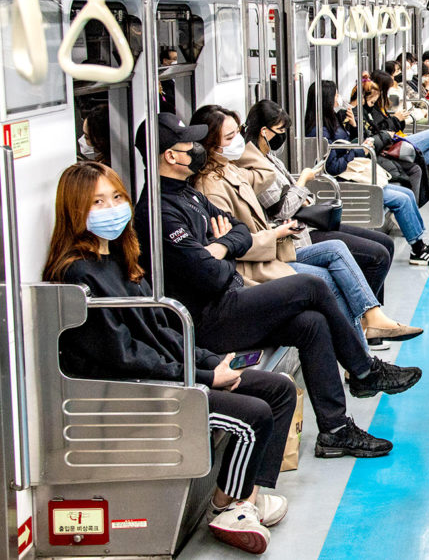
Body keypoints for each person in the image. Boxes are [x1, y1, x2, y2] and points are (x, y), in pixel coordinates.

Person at [133, 113, 422, 461]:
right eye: (188, 145)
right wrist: (225, 254)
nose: (196, 149)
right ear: (171, 156)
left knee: (311, 324)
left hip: (229, 297)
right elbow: (209, 275)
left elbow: (238, 231)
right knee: (311, 287)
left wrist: (222, 245)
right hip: (207, 318)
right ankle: (365, 370)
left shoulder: (187, 196)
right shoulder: (160, 211)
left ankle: (335, 430)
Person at [44, 161, 293, 554]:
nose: (111, 209)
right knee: (253, 415)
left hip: (166, 373)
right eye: (97, 202)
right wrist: (203, 379)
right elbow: (124, 358)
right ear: (75, 211)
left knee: (278, 389)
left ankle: (240, 500)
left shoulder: (123, 261)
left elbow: (162, 331)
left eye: (116, 198)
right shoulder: (78, 278)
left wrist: (211, 361)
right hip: (138, 392)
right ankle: (229, 507)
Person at [189, 104, 422, 349]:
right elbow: (275, 211)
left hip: (285, 236)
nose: (238, 139)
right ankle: (360, 344)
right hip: (271, 250)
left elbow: (269, 179)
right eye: (230, 136)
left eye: (239, 132)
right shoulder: (220, 180)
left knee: (351, 248)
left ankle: (370, 320)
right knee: (341, 272)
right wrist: (297, 183)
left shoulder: (236, 167)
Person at [242, 98, 395, 307]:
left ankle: (371, 316)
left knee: (385, 243)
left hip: (308, 221)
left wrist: (301, 193)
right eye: (280, 129)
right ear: (263, 131)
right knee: (377, 255)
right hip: (295, 235)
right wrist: (303, 180)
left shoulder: (271, 158)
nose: (283, 135)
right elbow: (282, 209)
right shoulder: (254, 166)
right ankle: (363, 315)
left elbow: (295, 195)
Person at [306, 81, 429, 266]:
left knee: (406, 193)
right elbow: (333, 166)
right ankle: (418, 249)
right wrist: (360, 151)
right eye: (335, 95)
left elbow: (347, 145)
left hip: (353, 172)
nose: (338, 98)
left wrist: (353, 126)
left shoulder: (332, 121)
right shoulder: (319, 131)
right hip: (344, 179)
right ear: (326, 99)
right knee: (402, 199)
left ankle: (419, 243)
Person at [351, 75, 429, 211]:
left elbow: (389, 129)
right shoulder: (364, 113)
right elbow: (380, 132)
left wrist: (398, 120)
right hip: (389, 147)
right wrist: (395, 120)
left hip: (395, 141)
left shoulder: (377, 107)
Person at [159, 47, 178, 114]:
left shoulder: (175, 75)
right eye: (175, 59)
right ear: (165, 61)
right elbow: (170, 98)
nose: (177, 61)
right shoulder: (163, 78)